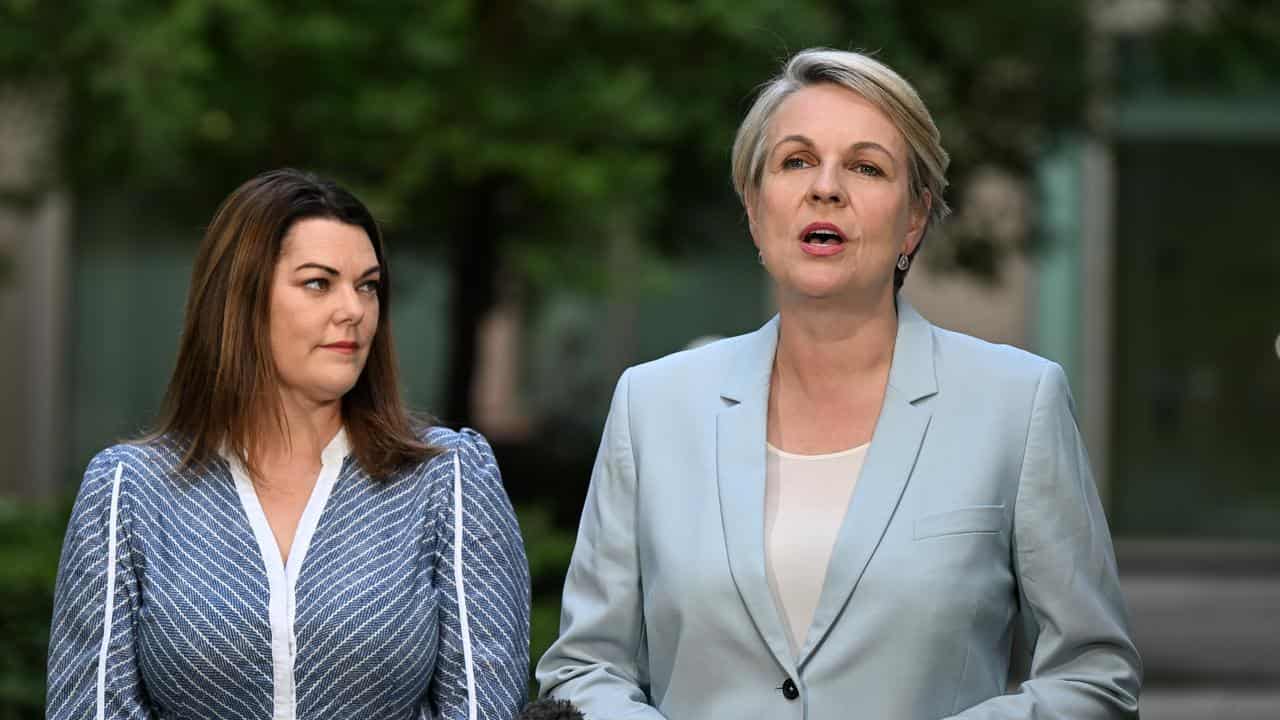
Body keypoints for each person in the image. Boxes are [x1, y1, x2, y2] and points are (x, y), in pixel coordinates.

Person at [536, 49, 1141, 718]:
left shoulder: (1016, 403)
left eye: (865, 167)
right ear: (754, 207)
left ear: (914, 218)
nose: (825, 187)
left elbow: (1094, 678)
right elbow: (583, 669)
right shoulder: (653, 405)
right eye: (796, 161)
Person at [47, 169, 530, 719]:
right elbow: (89, 708)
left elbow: (483, 705)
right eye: (319, 283)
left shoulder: (448, 477)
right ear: (240, 301)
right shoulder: (128, 490)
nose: (353, 309)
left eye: (367, 285)